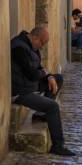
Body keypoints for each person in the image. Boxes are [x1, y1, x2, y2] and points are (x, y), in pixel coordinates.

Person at [10, 27, 76, 156]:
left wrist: (49, 76)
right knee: (52, 107)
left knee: (58, 79)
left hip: (29, 85)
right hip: (20, 91)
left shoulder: (30, 46)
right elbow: (31, 74)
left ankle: (40, 114)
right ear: (34, 37)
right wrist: (43, 73)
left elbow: (38, 67)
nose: (41, 47)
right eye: (41, 43)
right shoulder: (18, 48)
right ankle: (57, 146)